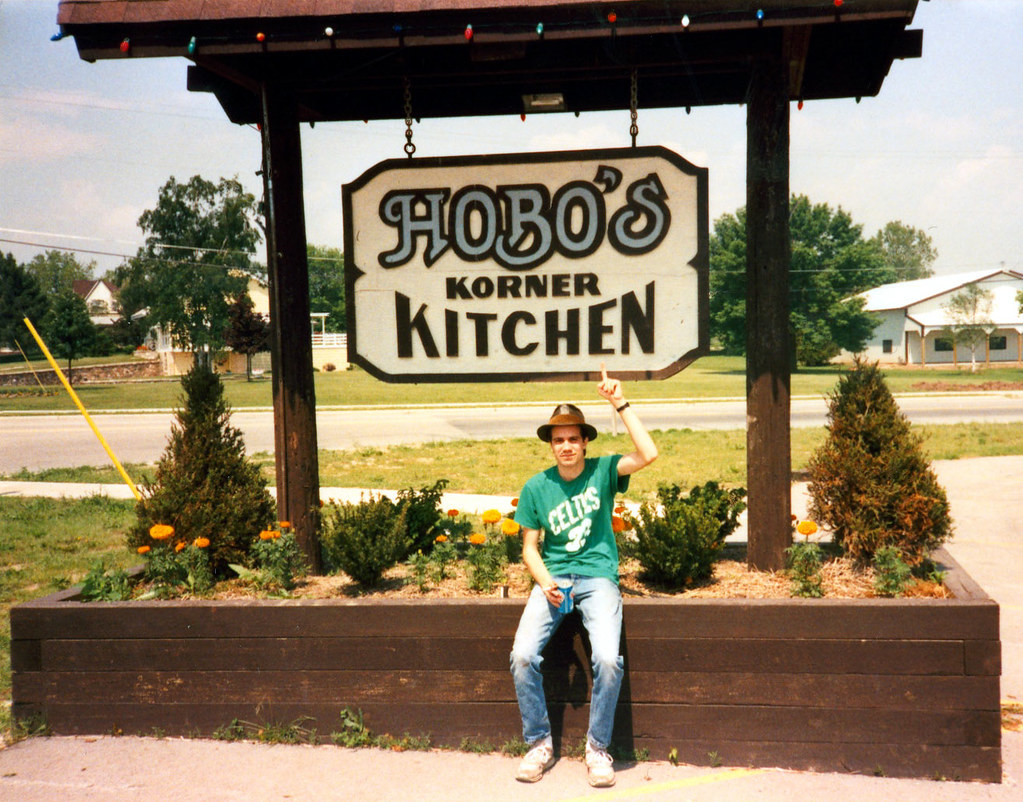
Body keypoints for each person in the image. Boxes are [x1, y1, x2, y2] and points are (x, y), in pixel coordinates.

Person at [509, 365, 658, 787]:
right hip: (554, 580)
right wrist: (546, 583)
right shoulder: (537, 487)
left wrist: (620, 402)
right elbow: (529, 548)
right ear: (551, 445)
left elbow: (649, 454)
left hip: (597, 579)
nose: (566, 446)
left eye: (574, 438)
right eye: (559, 440)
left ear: (585, 441)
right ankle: (539, 743)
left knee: (609, 660)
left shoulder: (603, 471)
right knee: (522, 655)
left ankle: (597, 749)